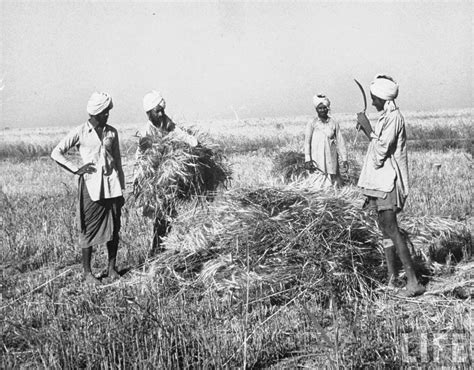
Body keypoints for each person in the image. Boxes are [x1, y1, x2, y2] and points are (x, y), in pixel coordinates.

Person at [357, 75, 425, 297]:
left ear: (382, 97)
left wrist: (368, 129)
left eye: (374, 98)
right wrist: (371, 130)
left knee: (392, 230)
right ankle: (392, 277)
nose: (374, 102)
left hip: (388, 183)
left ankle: (413, 281)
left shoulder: (394, 118)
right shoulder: (387, 117)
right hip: (380, 182)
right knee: (385, 230)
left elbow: (380, 153)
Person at [51, 92, 125, 285]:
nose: (107, 114)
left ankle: (111, 269)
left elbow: (117, 161)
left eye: (108, 111)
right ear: (95, 112)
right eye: (104, 112)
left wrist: (122, 189)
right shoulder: (80, 132)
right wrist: (77, 169)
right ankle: (87, 273)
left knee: (114, 228)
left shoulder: (112, 132)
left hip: (112, 186)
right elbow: (56, 152)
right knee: (88, 229)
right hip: (91, 186)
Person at [135, 90, 198, 256]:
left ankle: (158, 249)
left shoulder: (166, 123)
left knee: (166, 215)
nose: (161, 113)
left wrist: (194, 142)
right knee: (161, 215)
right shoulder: (145, 133)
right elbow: (142, 161)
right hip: (154, 180)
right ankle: (156, 250)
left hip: (169, 179)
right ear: (149, 113)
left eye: (162, 109)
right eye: (157, 111)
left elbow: (180, 134)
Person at [304, 94, 348, 188]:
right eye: (320, 108)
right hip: (316, 157)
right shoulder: (312, 122)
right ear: (316, 109)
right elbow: (307, 142)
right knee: (317, 183)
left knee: (333, 182)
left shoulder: (333, 122)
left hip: (331, 156)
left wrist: (344, 158)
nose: (323, 110)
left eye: (325, 108)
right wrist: (308, 159)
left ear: (328, 108)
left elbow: (340, 140)